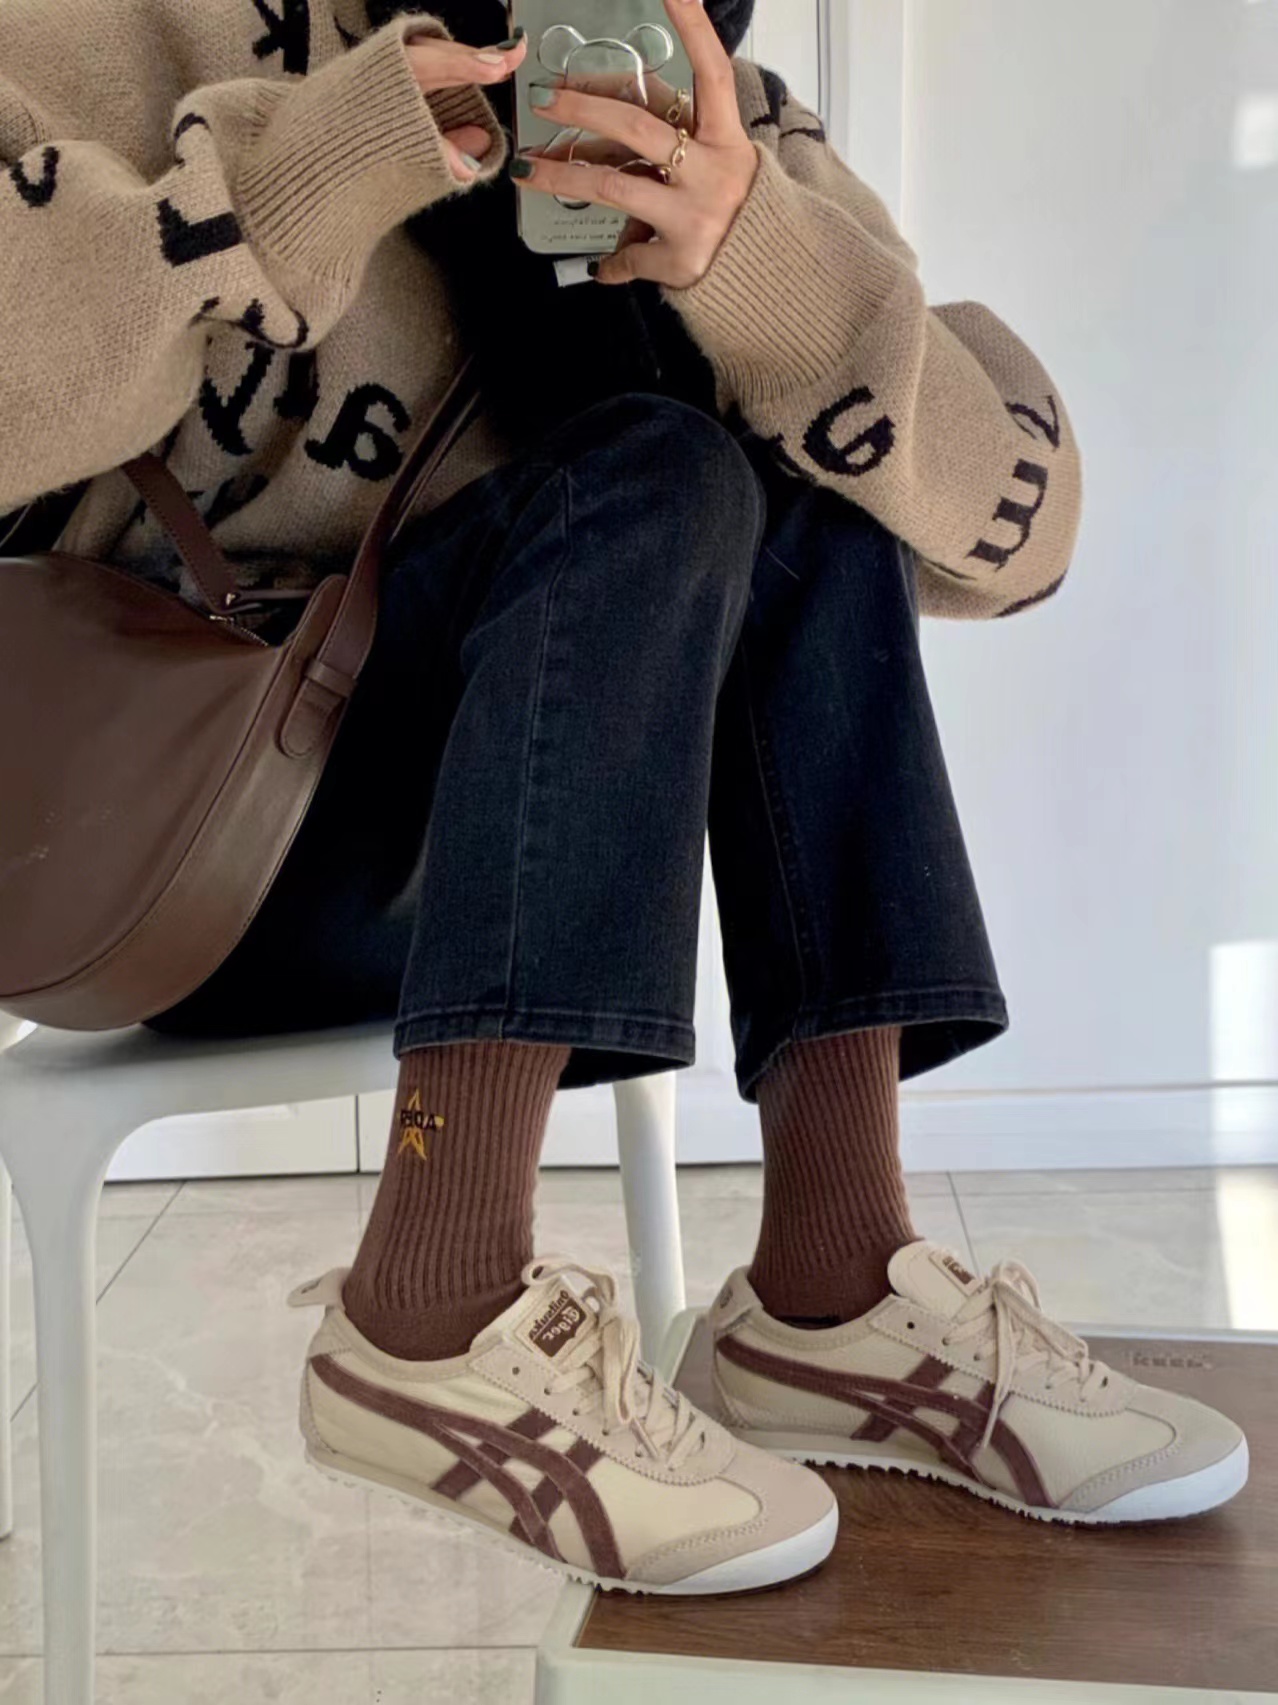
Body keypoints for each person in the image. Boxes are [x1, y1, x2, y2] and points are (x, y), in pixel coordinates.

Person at [0, 0, 1246, 1597]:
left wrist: (759, 269)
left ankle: (834, 1283)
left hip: (508, 867)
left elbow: (1022, 537)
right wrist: (325, 161)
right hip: (168, 860)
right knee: (653, 472)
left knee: (783, 478)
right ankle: (430, 1303)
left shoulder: (700, 102)